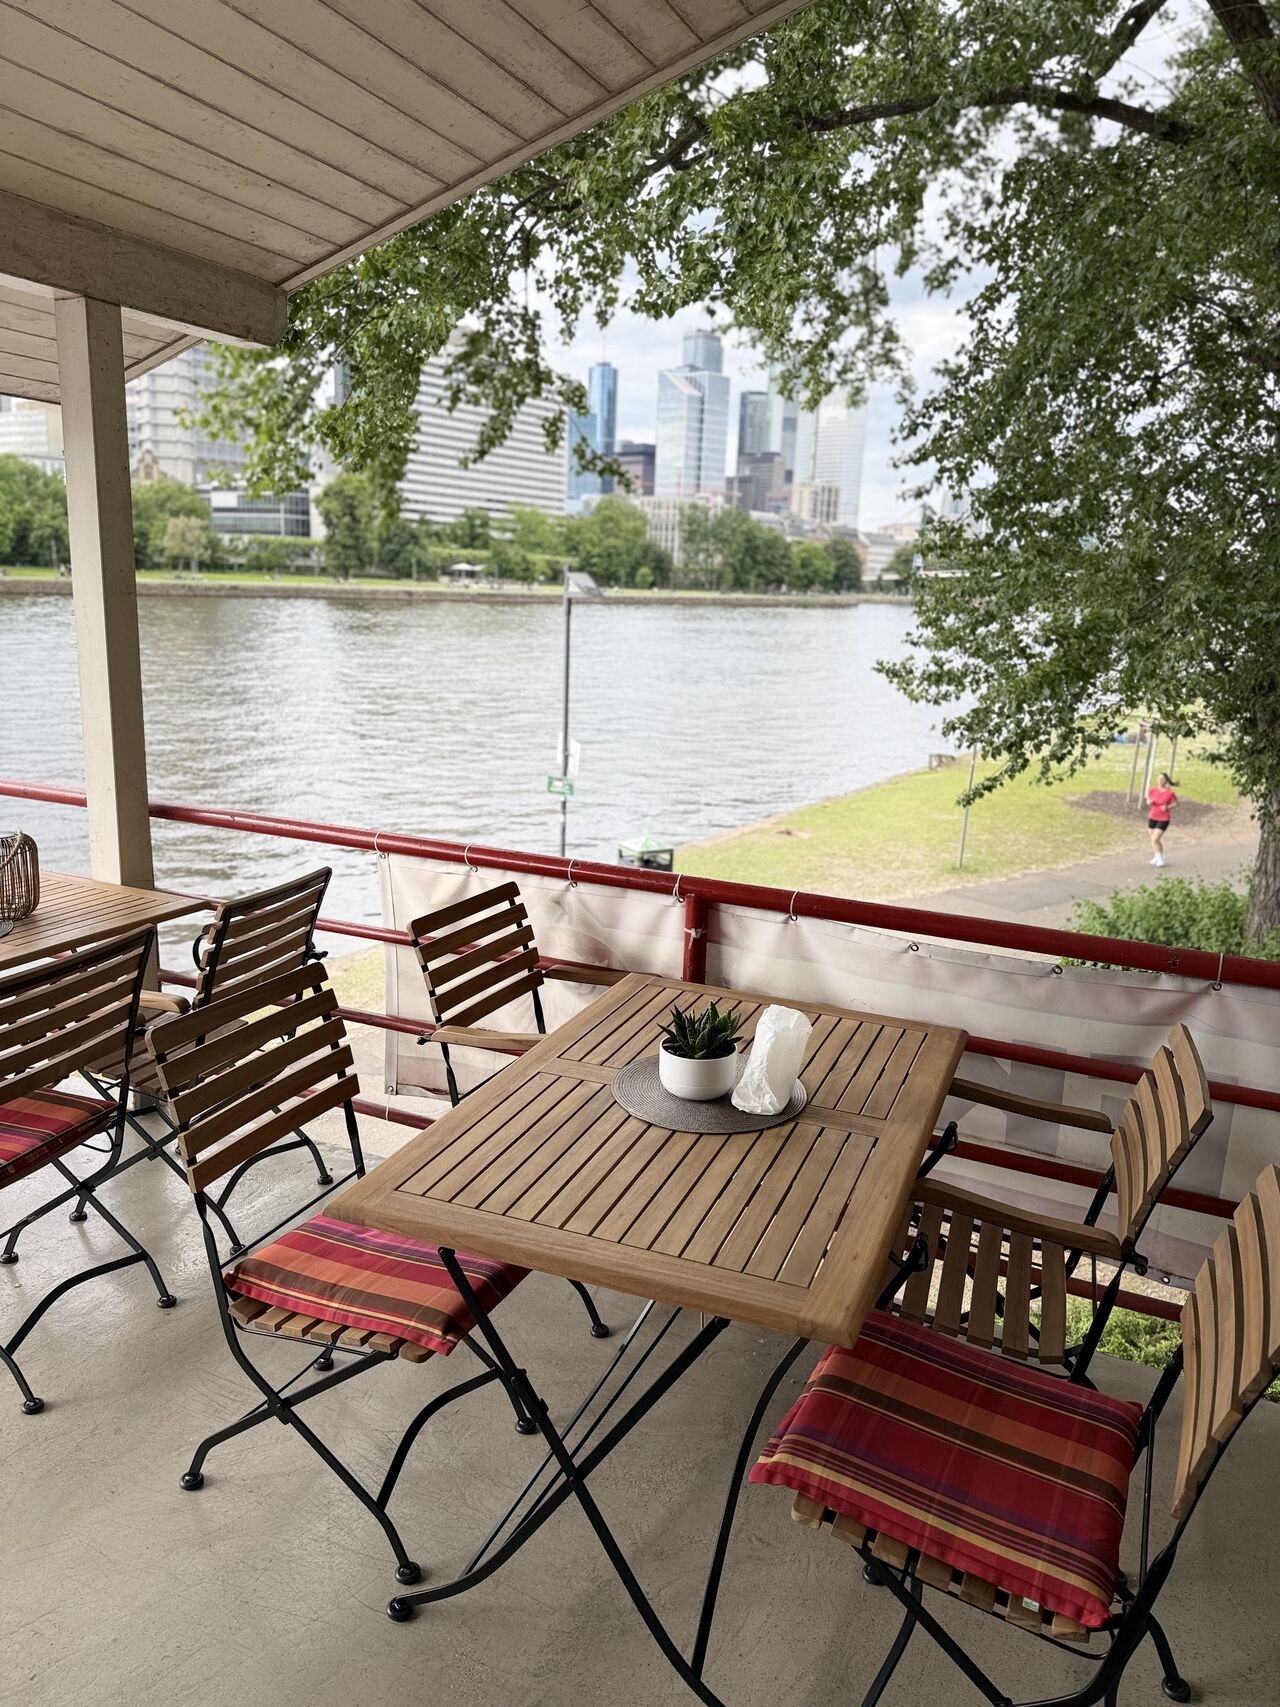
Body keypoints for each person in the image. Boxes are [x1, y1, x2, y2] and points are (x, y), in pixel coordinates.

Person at [1146, 771, 1178, 866]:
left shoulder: (1169, 793)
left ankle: (1160, 860)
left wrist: (1167, 807)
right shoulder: (1152, 790)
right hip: (1152, 817)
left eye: (1162, 779)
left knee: (1154, 839)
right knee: (1154, 839)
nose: (1160, 780)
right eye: (1159, 778)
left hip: (1163, 818)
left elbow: (1175, 803)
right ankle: (1158, 856)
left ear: (1166, 781)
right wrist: (1149, 802)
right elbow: (1148, 800)